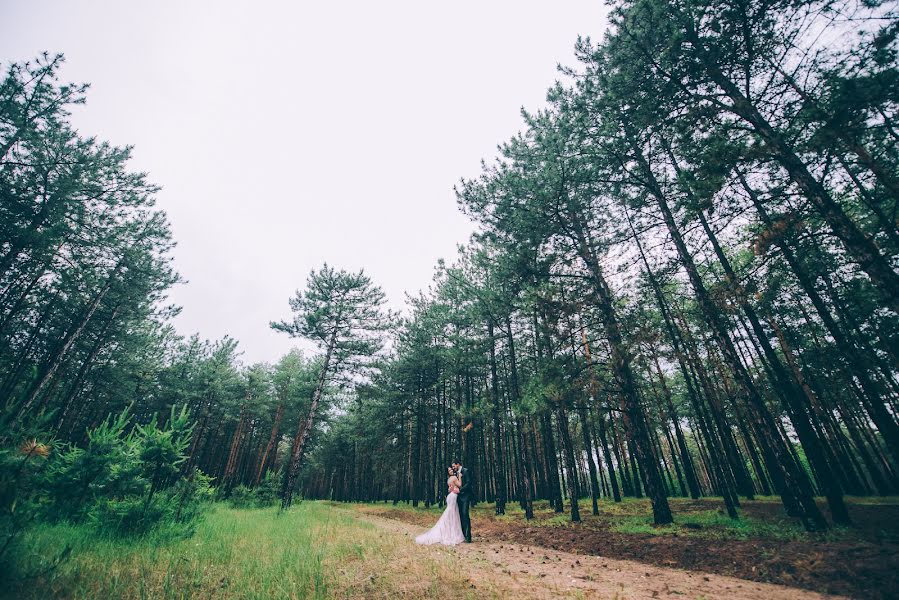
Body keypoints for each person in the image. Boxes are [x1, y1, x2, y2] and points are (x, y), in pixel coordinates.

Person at [414, 467, 465, 545]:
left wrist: (452, 489)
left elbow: (450, 489)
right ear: (449, 472)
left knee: (450, 513)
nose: (451, 471)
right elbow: (460, 485)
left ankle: (449, 530)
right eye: (449, 470)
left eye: (451, 469)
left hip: (450, 496)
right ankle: (452, 533)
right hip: (453, 496)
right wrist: (460, 477)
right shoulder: (454, 477)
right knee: (452, 513)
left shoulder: (449, 479)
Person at [452, 460, 475, 543]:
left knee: (465, 514)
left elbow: (468, 483)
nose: (453, 468)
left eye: (454, 466)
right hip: (458, 497)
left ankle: (468, 536)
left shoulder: (465, 471)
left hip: (466, 496)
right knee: (460, 515)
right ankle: (462, 535)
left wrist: (460, 490)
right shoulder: (455, 474)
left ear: (458, 464)